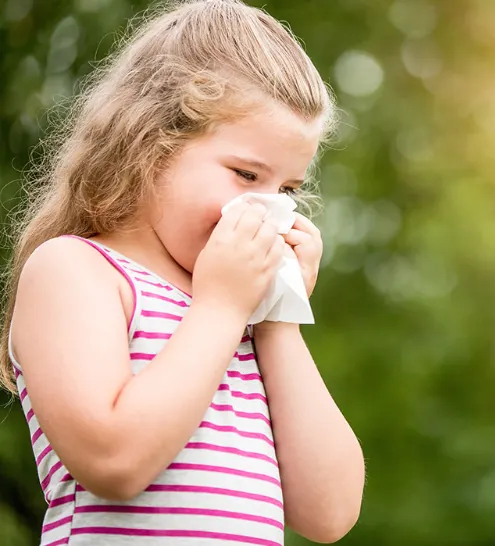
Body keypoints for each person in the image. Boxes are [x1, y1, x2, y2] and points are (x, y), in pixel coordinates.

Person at [0, 1, 366, 544]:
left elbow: (329, 514)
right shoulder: (76, 271)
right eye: (246, 175)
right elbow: (115, 460)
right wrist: (221, 307)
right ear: (152, 143)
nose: (271, 212)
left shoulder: (239, 317)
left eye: (288, 191)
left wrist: (276, 317)